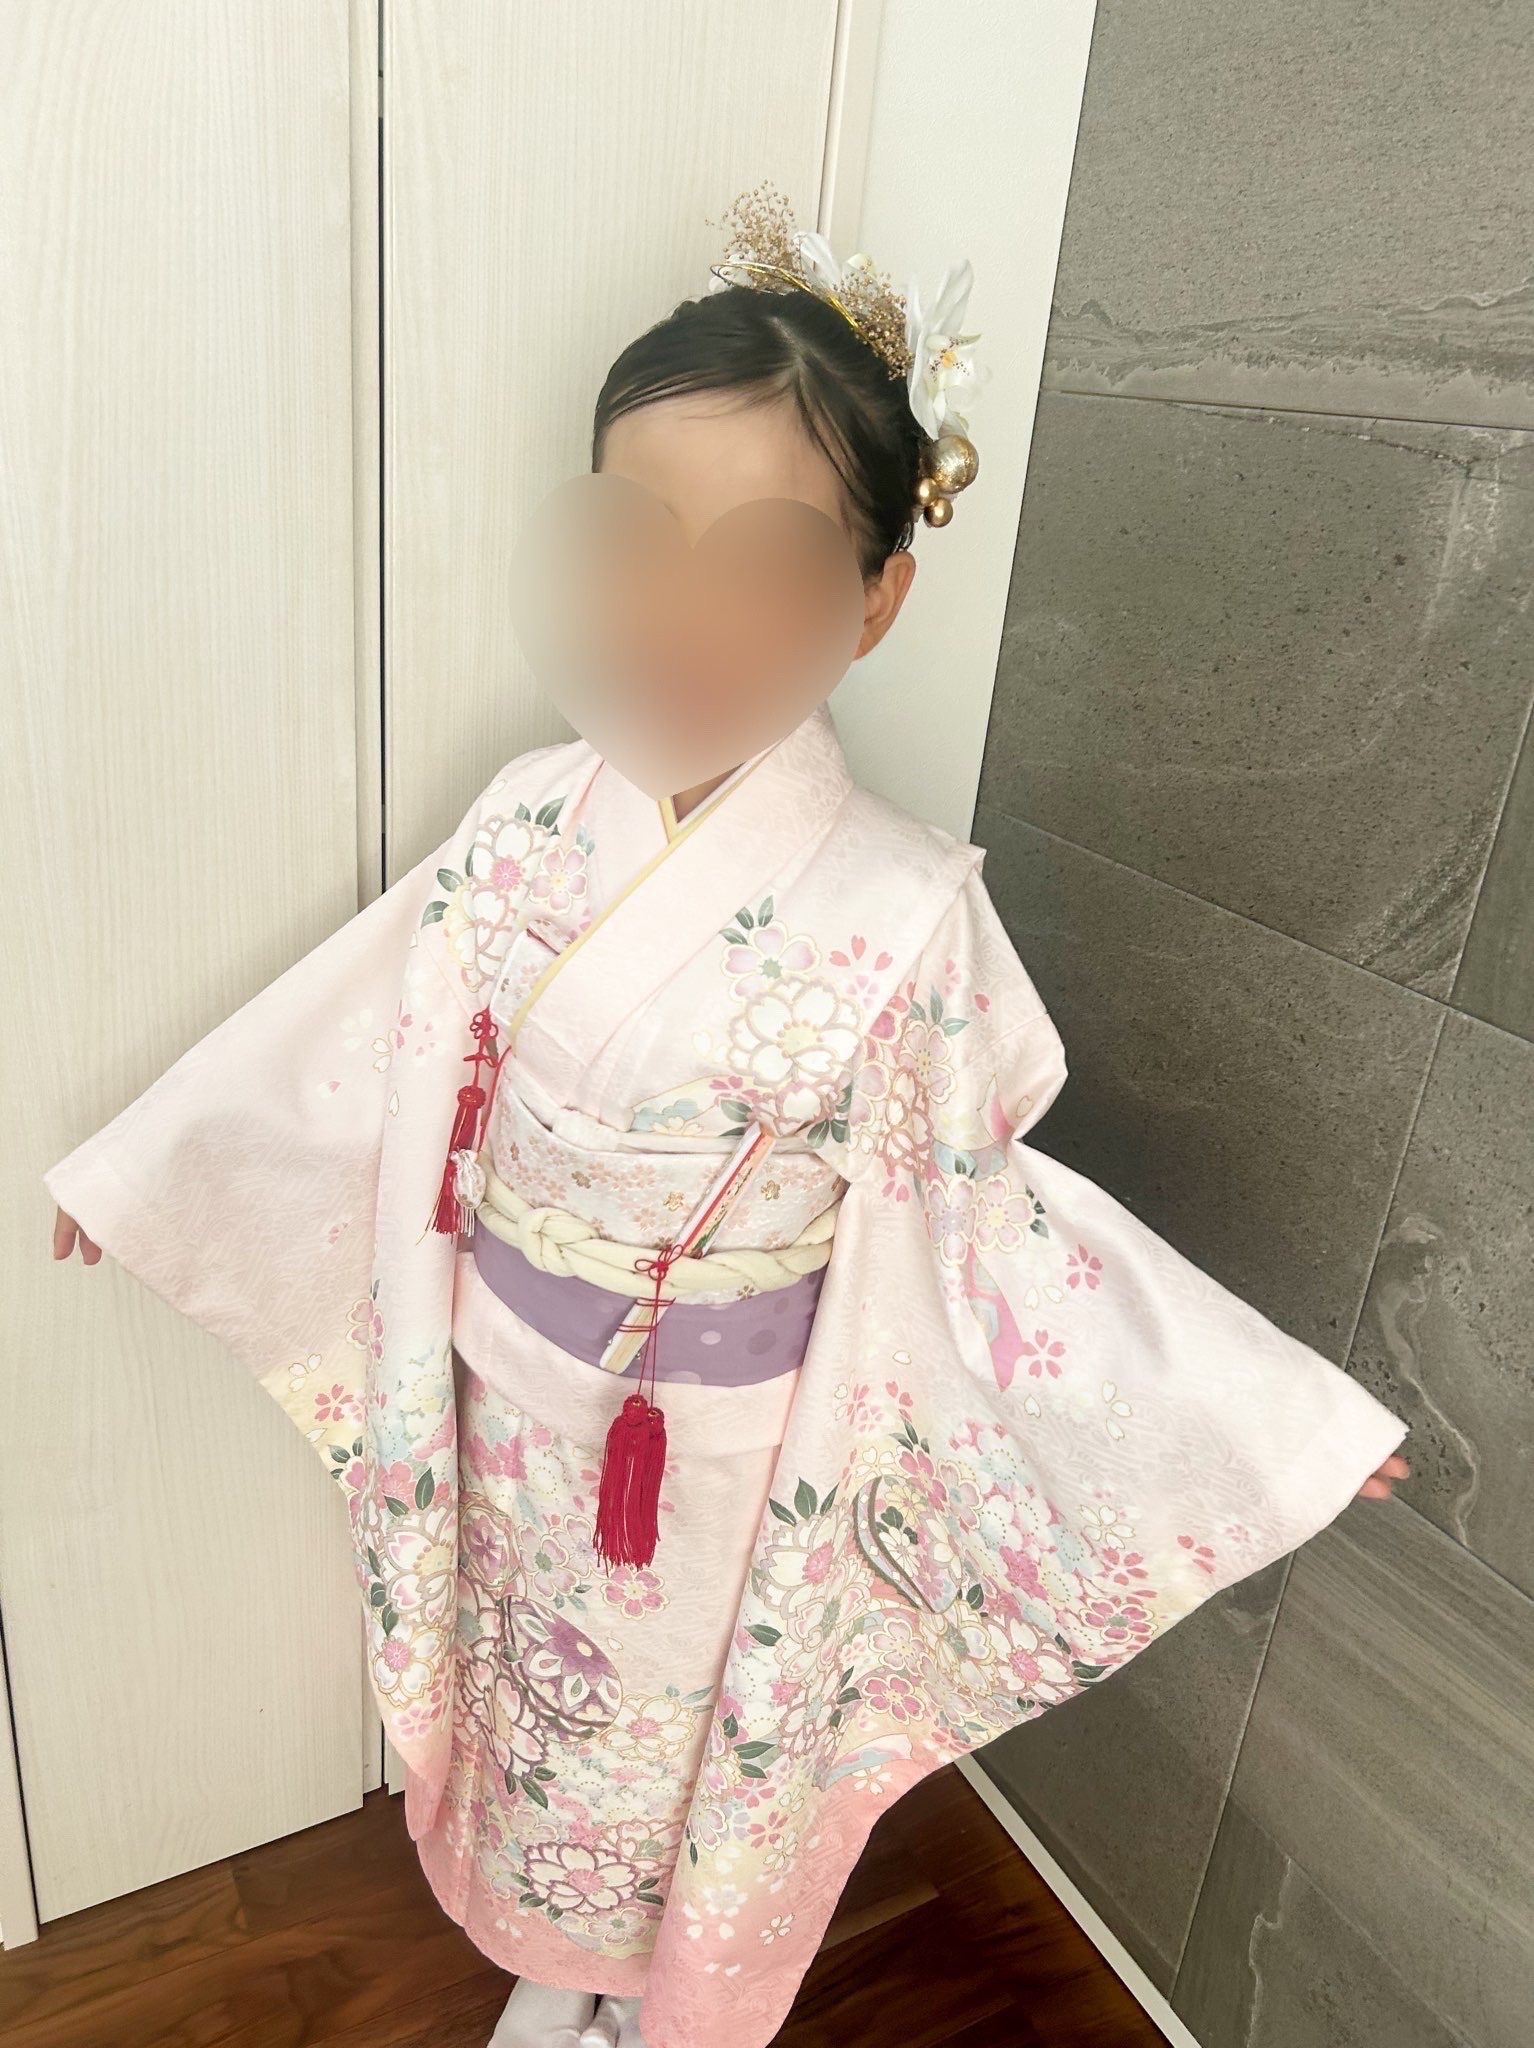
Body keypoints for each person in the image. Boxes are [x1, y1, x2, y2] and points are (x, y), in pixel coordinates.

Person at [47, 184, 1409, 2048]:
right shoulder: (529, 822)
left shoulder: (902, 910)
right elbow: (364, 1030)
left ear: (875, 599)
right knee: (537, 1723)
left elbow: (984, 1227)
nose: (683, 615)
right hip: (505, 1405)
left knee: (685, 1748)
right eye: (635, 542)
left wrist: (1255, 1424)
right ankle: (556, 1968)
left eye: (763, 564)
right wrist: (159, 1172)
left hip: (731, 1456)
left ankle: (655, 2003)